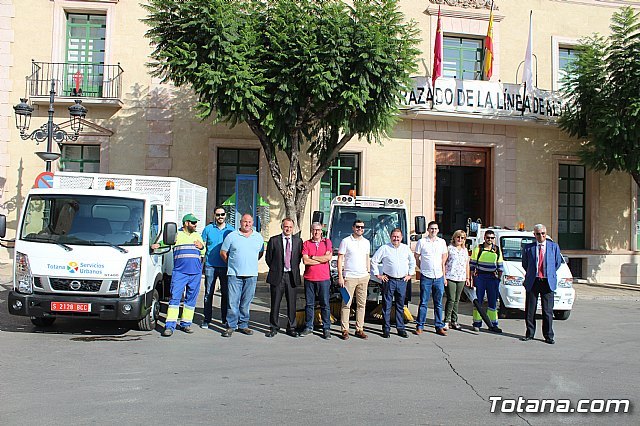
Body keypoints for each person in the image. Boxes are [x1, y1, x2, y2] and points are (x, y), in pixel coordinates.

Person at [153, 213, 205, 337]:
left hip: (195, 273)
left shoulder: (198, 235)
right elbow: (165, 242)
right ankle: (169, 326)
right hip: (180, 272)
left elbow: (203, 251)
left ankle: (186, 324)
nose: (195, 224)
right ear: (186, 223)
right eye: (193, 222)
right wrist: (157, 245)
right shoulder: (176, 235)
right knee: (175, 298)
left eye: (196, 222)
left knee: (191, 299)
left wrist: (201, 246)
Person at [219, 214, 264, 337]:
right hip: (234, 274)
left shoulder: (258, 237)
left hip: (251, 275)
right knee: (233, 301)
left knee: (246, 302)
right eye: (245, 221)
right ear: (240, 222)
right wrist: (232, 263)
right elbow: (223, 252)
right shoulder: (232, 236)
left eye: (249, 222)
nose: (247, 224)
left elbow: (260, 253)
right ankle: (231, 326)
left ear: (253, 223)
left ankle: (243, 325)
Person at [521, 224, 563, 344]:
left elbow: (557, 263)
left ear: (546, 234)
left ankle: (548, 336)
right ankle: (529, 333)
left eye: (543, 233)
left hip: (547, 282)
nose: (541, 236)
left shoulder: (553, 247)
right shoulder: (528, 248)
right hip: (533, 281)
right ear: (534, 235)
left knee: (547, 311)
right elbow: (525, 264)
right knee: (530, 310)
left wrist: (548, 273)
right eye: (538, 234)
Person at [370, 228, 415, 338]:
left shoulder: (405, 249)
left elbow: (412, 261)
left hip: (402, 281)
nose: (396, 239)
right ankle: (386, 329)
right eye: (394, 237)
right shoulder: (384, 248)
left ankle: (400, 328)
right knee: (387, 305)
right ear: (390, 237)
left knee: (400, 306)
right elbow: (374, 261)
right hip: (389, 280)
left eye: (398, 237)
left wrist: (410, 274)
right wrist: (378, 275)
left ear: (401, 238)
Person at [265, 218, 303, 338]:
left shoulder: (298, 241)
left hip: (291, 276)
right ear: (282, 227)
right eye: (286, 226)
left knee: (292, 304)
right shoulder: (274, 240)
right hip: (278, 276)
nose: (288, 229)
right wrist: (277, 269)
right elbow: (268, 258)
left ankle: (291, 327)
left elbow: (299, 257)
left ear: (293, 228)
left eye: (290, 227)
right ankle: (274, 327)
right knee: (275, 303)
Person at [200, 206, 234, 329]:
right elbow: (202, 246)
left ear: (226, 215)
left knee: (226, 294)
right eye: (218, 214)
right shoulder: (208, 229)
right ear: (214, 215)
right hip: (210, 265)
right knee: (209, 293)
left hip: (225, 266)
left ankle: (225, 319)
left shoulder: (231, 230)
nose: (220, 217)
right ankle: (207, 319)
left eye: (222, 214)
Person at [337, 219, 371, 340]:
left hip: (363, 278)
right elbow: (340, 259)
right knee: (346, 303)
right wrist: (340, 276)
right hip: (349, 278)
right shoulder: (345, 241)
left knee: (362, 305)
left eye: (362, 227)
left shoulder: (366, 242)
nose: (360, 229)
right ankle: (345, 329)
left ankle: (359, 329)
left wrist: (368, 272)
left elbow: (367, 257)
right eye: (357, 227)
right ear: (353, 228)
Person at [414, 220, 448, 336]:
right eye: (431, 228)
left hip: (438, 276)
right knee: (423, 302)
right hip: (426, 276)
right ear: (428, 230)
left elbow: (444, 259)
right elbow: (417, 256)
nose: (433, 231)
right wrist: (422, 267)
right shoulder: (422, 242)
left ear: (438, 230)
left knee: (438, 303)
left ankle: (439, 326)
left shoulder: (442, 242)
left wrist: (444, 277)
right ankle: (420, 326)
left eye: (435, 229)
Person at [300, 222, 333, 339]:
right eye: (314, 230)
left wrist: (313, 257)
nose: (316, 232)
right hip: (310, 279)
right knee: (309, 304)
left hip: (324, 279)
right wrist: (321, 260)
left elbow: (328, 258)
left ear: (321, 231)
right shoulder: (306, 243)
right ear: (311, 231)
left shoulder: (327, 242)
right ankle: (309, 326)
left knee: (325, 304)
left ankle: (326, 328)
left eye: (318, 230)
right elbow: (305, 261)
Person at [469, 230, 503, 333]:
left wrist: (498, 278)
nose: (490, 240)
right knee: (478, 301)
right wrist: (471, 278)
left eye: (492, 238)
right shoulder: (478, 249)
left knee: (492, 302)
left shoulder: (497, 250)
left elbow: (500, 265)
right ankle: (476, 323)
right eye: (488, 237)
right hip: (480, 277)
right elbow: (472, 265)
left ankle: (493, 324)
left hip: (492, 278)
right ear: (484, 238)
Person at [444, 229, 471, 331]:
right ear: (454, 238)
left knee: (457, 300)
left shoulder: (464, 250)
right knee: (451, 299)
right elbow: (444, 262)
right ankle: (446, 320)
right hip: (450, 276)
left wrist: (467, 277)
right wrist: (444, 276)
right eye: (458, 237)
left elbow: (467, 264)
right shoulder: (449, 249)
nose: (460, 239)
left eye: (462, 238)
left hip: (461, 277)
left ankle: (454, 320)